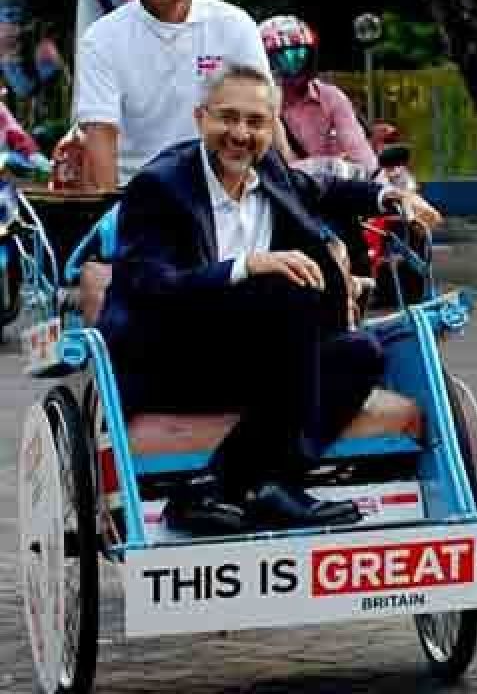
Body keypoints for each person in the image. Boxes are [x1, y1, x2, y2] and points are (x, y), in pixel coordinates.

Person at [96, 63, 417, 535]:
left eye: (256, 122)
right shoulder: (160, 186)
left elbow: (322, 187)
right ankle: (271, 486)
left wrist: (389, 198)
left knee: (361, 353)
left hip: (261, 366)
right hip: (174, 360)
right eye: (228, 118)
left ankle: (231, 487)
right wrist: (246, 267)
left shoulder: (269, 170)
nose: (241, 134)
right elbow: (150, 289)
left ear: (272, 128)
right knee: (287, 288)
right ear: (200, 116)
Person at [63, 0, 271, 190]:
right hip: (137, 188)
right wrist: (112, 216)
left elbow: (264, 117)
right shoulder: (102, 39)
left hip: (219, 187)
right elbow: (100, 134)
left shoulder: (236, 26)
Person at [259, 15, 379, 177]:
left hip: (328, 190)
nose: (296, 67)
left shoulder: (330, 97)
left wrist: (378, 181)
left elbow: (361, 154)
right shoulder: (257, 104)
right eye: (283, 60)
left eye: (302, 57)